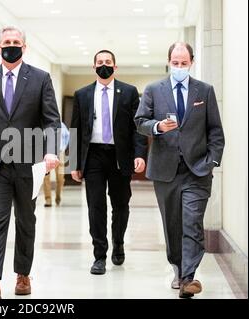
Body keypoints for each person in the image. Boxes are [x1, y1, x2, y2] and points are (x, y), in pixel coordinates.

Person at [0, 26, 61, 299]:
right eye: (7, 42)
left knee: (26, 220)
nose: (11, 45)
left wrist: (51, 151)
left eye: (16, 42)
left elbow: (52, 119)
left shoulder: (40, 78)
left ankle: (23, 275)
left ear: (24, 47)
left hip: (29, 163)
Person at [135, 42, 225, 298]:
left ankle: (189, 277)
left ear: (191, 63)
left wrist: (213, 162)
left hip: (197, 170)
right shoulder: (154, 90)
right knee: (172, 224)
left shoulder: (204, 91)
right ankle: (177, 266)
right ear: (168, 62)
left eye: (184, 63)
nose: (179, 67)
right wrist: (158, 127)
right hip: (165, 171)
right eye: (175, 63)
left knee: (192, 222)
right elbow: (140, 122)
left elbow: (215, 131)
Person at [70, 50, 148, 275]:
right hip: (93, 156)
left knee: (121, 205)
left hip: (119, 156)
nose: (104, 65)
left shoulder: (129, 92)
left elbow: (138, 127)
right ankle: (99, 256)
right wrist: (75, 163)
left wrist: (140, 154)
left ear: (115, 66)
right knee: (95, 206)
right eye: (100, 62)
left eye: (108, 62)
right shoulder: (82, 94)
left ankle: (119, 243)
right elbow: (75, 129)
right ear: (93, 67)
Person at [43, 122, 69, 207]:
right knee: (46, 177)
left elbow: (67, 136)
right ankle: (48, 199)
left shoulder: (62, 125)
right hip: (46, 153)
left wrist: (63, 148)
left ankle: (58, 197)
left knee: (60, 178)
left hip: (59, 153)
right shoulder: (44, 124)